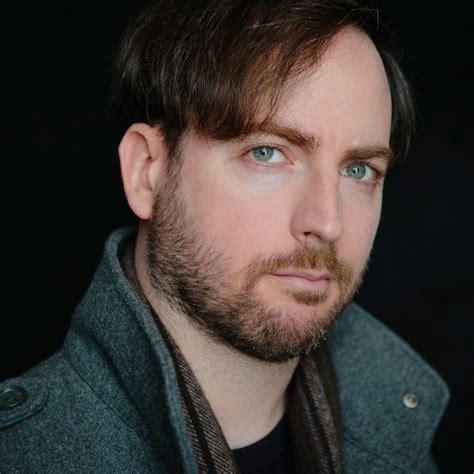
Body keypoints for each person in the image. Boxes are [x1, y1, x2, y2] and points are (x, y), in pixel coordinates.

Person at [0, 0, 449, 472]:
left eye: (358, 170)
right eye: (266, 153)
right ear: (146, 172)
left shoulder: (402, 436)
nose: (327, 222)